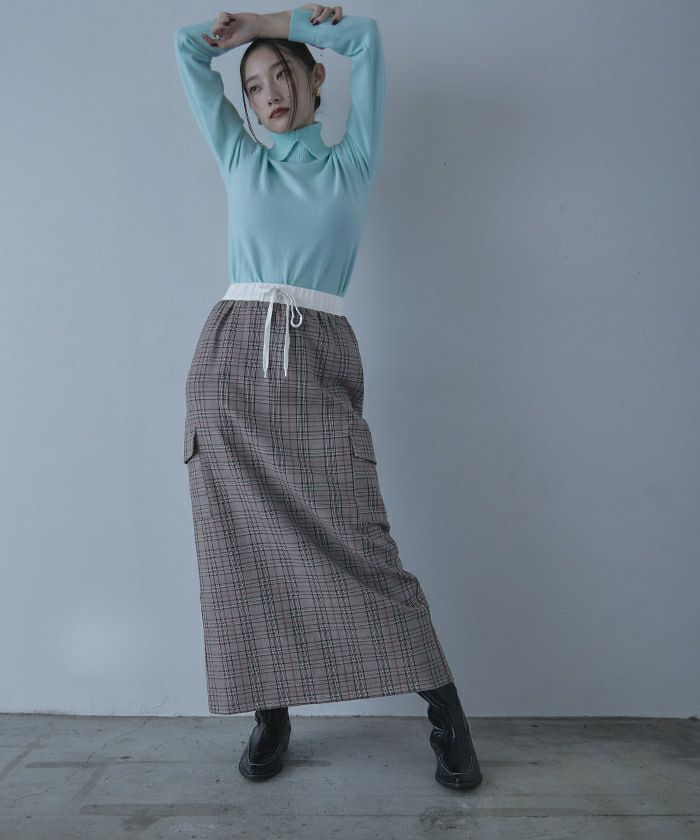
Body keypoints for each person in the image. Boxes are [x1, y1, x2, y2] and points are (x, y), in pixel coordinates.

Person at [174, 4, 482, 790]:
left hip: (317, 354)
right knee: (241, 547)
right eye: (253, 86)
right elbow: (185, 50)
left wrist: (270, 22)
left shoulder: (351, 161)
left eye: (282, 74)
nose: (269, 94)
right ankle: (271, 713)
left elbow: (366, 40)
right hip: (232, 360)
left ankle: (445, 711)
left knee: (361, 540)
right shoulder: (242, 158)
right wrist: (236, 36)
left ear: (316, 78)